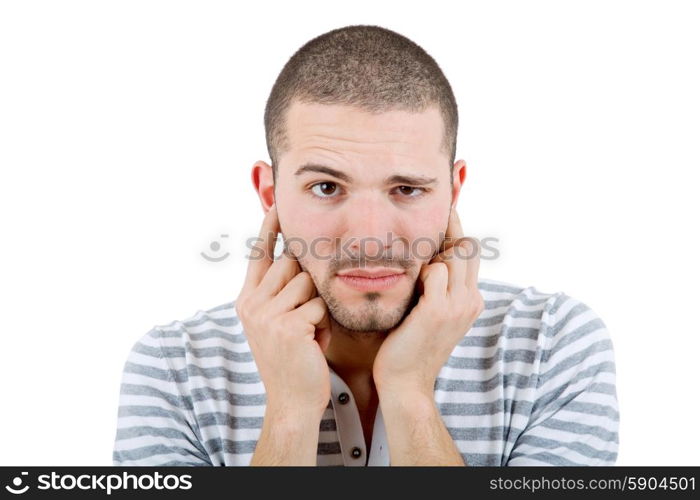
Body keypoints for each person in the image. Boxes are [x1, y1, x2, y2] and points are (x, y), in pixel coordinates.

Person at [112, 24, 619, 466]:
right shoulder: (172, 367)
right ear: (270, 194)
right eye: (326, 187)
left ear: (453, 190)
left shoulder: (553, 344)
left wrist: (409, 391)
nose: (370, 237)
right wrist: (290, 413)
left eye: (408, 189)